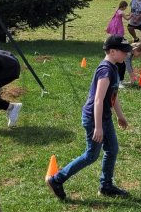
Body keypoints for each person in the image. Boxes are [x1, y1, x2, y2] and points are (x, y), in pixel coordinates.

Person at [46, 35, 132, 200]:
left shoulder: (113, 67)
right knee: (91, 155)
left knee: (112, 149)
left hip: (104, 117)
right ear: (112, 51)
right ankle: (57, 179)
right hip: (94, 118)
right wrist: (98, 127)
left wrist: (120, 116)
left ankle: (106, 185)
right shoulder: (106, 70)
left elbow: (113, 95)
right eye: (124, 51)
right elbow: (98, 100)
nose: (126, 54)